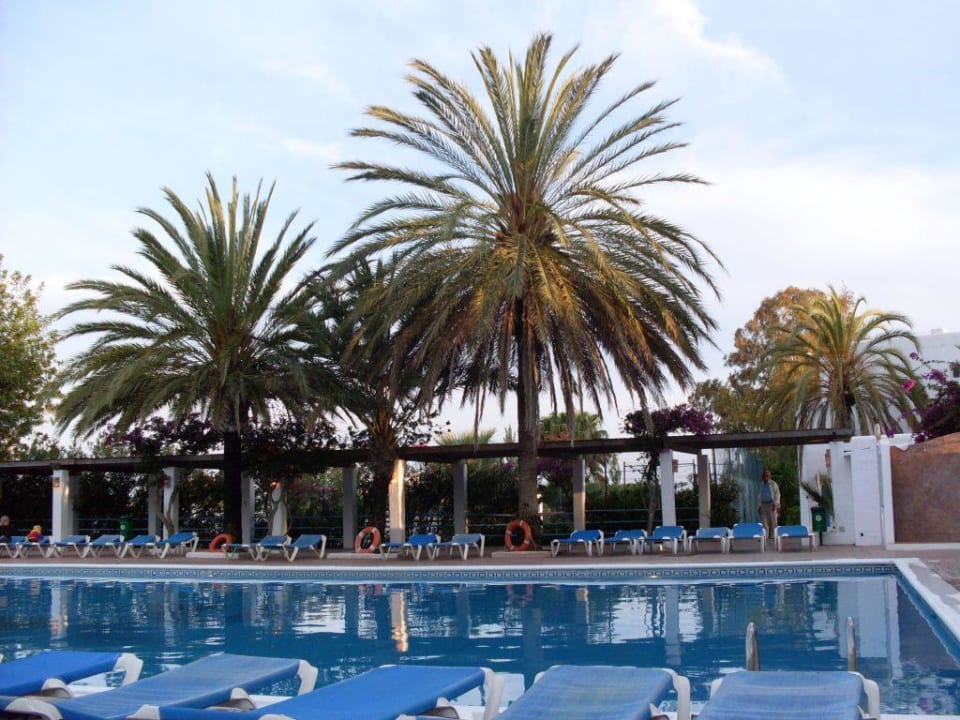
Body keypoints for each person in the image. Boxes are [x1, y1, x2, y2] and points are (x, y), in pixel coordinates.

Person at [757, 470, 780, 539]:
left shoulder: (773, 484)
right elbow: (759, 495)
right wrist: (759, 505)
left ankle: (773, 536)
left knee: (773, 520)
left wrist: (775, 504)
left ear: (769, 476)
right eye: (765, 476)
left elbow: (777, 494)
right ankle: (765, 536)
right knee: (764, 521)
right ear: (763, 477)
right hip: (763, 504)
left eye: (768, 476)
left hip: (771, 503)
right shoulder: (761, 484)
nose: (767, 477)